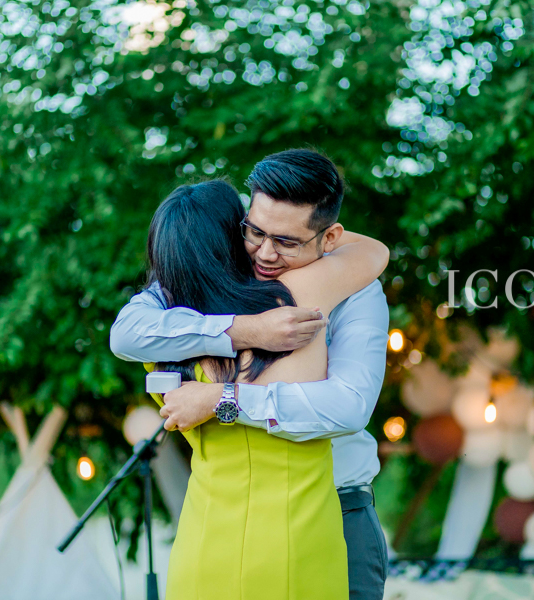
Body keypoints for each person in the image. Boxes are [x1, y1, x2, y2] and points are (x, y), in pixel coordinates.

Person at [111, 149, 391, 600]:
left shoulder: (356, 291)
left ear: (330, 237)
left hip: (339, 509)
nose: (265, 253)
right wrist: (245, 329)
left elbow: (349, 407)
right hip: (230, 518)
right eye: (255, 232)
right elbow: (127, 333)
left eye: (286, 241)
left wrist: (225, 399)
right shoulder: (220, 279)